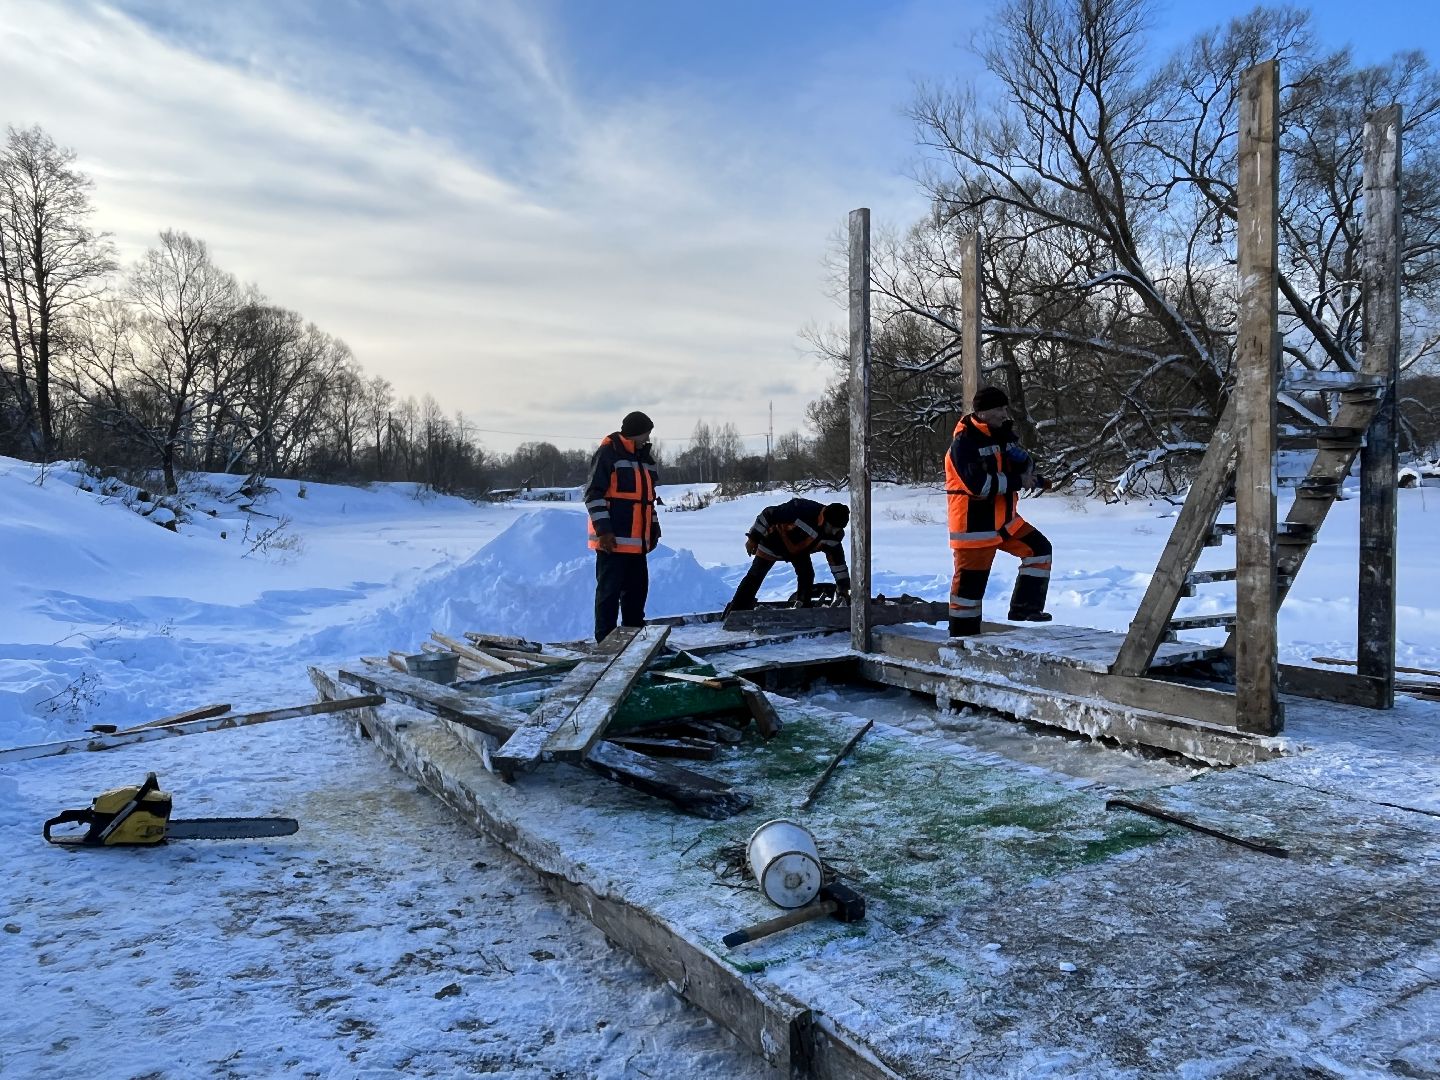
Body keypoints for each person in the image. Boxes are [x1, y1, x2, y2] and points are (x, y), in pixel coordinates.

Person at [944, 386, 1053, 636]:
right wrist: (1019, 480)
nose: (1006, 414)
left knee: (1040, 550)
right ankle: (962, 639)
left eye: (1006, 408)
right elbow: (979, 485)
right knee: (970, 591)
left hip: (1005, 522)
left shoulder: (999, 436)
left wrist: (1029, 471)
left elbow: (1023, 463)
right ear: (983, 412)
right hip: (975, 528)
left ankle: (1025, 608)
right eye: (1000, 409)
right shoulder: (963, 444)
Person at [585, 410, 660, 642]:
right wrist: (604, 531)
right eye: (646, 434)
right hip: (613, 542)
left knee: (637, 594)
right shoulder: (608, 454)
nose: (648, 439)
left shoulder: (646, 461)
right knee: (608, 594)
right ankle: (605, 641)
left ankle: (634, 638)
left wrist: (654, 528)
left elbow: (649, 500)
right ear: (635, 433)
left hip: (638, 544)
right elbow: (593, 495)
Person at [726, 498, 851, 612]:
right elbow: (768, 514)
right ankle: (737, 609)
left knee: (807, 574)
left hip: (798, 550)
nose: (834, 531)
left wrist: (843, 586)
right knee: (756, 575)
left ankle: (803, 608)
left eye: (838, 529)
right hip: (773, 542)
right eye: (832, 527)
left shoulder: (834, 536)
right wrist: (753, 538)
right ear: (824, 519)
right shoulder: (801, 509)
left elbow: (837, 563)